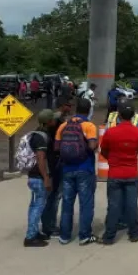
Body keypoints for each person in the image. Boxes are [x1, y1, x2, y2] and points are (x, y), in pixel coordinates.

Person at [55, 98, 100, 245]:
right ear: (88, 110)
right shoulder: (89, 126)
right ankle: (85, 235)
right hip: (85, 169)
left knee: (67, 203)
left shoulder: (63, 125)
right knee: (86, 203)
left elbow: (56, 147)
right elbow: (92, 146)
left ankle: (64, 236)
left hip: (67, 169)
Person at [100, 102, 138, 244]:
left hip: (115, 173)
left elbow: (104, 151)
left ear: (118, 115)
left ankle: (109, 236)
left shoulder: (111, 132)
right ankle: (134, 234)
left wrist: (113, 160)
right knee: (132, 205)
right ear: (133, 116)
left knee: (114, 205)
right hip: (132, 172)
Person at [24, 109, 56, 247]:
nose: (55, 121)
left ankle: (35, 232)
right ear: (49, 121)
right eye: (53, 119)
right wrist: (46, 178)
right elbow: (41, 158)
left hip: (33, 175)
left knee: (34, 205)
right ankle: (30, 237)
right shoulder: (41, 137)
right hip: (39, 177)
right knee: (38, 206)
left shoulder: (35, 134)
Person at [41, 97, 70, 237]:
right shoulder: (49, 133)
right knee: (54, 196)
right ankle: (49, 227)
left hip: (50, 169)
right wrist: (47, 176)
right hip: (53, 169)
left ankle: (47, 224)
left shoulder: (42, 132)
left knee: (50, 197)